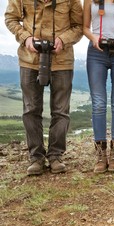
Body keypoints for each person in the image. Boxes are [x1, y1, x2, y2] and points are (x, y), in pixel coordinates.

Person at [5, 0, 83, 175]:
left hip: (62, 61)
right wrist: (26, 38)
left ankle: (55, 156)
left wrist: (63, 39)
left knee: (61, 111)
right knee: (31, 109)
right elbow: (11, 18)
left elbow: (79, 26)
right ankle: (36, 157)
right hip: (29, 60)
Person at [83, 0, 114, 173]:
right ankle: (100, 153)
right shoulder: (90, 0)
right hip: (96, 53)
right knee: (98, 103)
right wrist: (93, 38)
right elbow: (85, 27)